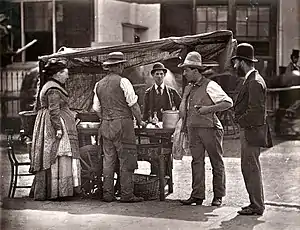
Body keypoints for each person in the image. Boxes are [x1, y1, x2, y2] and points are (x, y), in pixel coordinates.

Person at [178, 51, 233, 206]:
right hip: (194, 130)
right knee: (196, 162)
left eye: (186, 70)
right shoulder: (188, 88)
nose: (184, 73)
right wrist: (184, 96)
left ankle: (218, 196)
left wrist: (207, 109)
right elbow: (182, 114)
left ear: (195, 70)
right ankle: (197, 195)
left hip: (210, 129)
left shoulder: (211, 85)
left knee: (216, 162)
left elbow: (228, 103)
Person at [92, 51, 146, 203]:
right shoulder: (124, 81)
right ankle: (127, 195)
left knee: (108, 160)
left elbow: (96, 108)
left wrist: (105, 117)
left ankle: (107, 194)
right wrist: (140, 121)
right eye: (122, 64)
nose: (123, 67)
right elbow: (134, 105)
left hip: (106, 125)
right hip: (123, 125)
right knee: (126, 159)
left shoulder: (99, 84)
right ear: (119, 66)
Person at [30, 59, 81, 201]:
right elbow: (54, 110)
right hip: (52, 124)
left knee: (56, 155)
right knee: (58, 153)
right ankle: (57, 192)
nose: (67, 76)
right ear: (58, 74)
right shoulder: (53, 88)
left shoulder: (51, 85)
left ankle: (58, 191)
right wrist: (58, 129)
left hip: (52, 121)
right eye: (65, 73)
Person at [232, 43, 273, 215]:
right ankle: (255, 203)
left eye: (236, 62)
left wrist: (239, 120)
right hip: (251, 130)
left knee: (250, 167)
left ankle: (256, 205)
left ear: (242, 62)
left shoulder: (254, 82)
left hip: (251, 131)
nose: (234, 66)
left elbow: (255, 112)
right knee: (249, 167)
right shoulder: (252, 79)